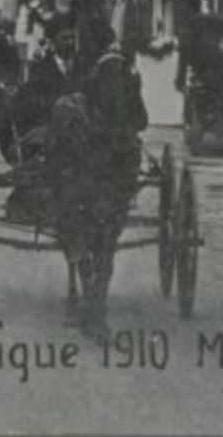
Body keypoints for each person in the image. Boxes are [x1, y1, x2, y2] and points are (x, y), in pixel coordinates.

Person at [48, 18, 148, 334]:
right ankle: (96, 304)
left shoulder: (91, 75)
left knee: (84, 227)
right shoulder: (125, 74)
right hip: (108, 165)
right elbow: (141, 120)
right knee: (104, 238)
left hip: (94, 164)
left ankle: (92, 299)